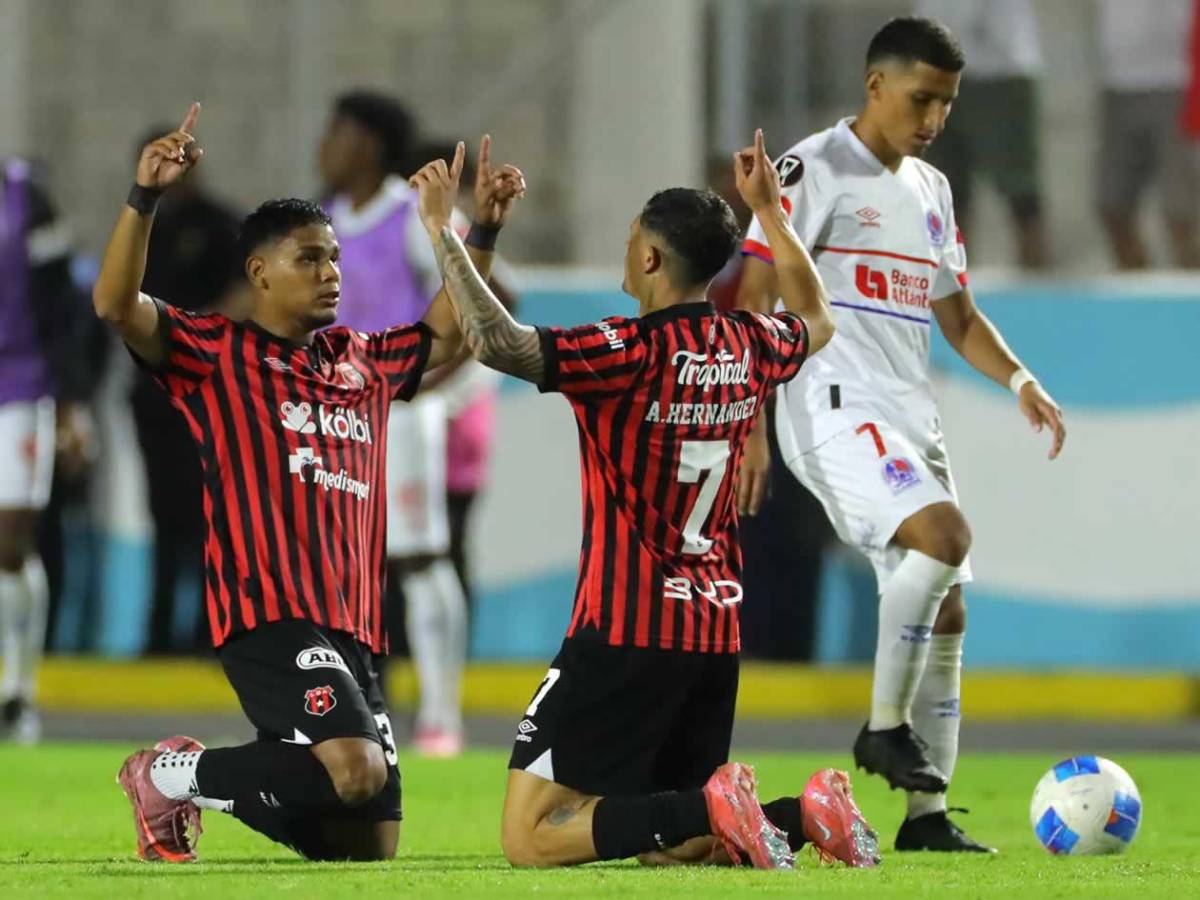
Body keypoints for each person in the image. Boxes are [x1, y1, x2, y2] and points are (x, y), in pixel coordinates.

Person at [408, 130, 880, 869]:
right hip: (714, 635)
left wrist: (447, 228)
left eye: (632, 241)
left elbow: (495, 342)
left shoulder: (623, 351)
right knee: (672, 844)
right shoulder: (749, 343)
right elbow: (819, 319)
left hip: (623, 630)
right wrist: (771, 212)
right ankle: (803, 812)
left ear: (652, 258)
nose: (628, 252)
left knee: (529, 837)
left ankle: (720, 802)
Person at [98, 105, 522, 862]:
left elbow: (447, 332)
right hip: (268, 613)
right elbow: (115, 306)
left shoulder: (359, 359)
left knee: (365, 844)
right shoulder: (214, 355)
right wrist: (145, 198)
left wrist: (477, 231)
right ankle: (168, 774)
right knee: (355, 771)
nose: (331, 275)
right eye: (308, 260)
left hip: (353, 622)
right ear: (259, 273)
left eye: (333, 259)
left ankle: (203, 779)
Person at [736, 17, 1066, 854]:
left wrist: (1022, 380)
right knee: (944, 536)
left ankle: (926, 820)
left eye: (947, 103)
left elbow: (958, 314)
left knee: (946, 605)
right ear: (875, 85)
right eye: (922, 98)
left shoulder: (931, 189)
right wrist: (749, 427)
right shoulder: (812, 167)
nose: (935, 117)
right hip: (831, 401)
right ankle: (882, 728)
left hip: (908, 413)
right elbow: (754, 296)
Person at [317, 92, 471, 755]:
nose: (324, 145)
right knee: (337, 561)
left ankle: (440, 714)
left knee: (418, 556)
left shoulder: (410, 214)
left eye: (339, 132)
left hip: (401, 414)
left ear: (370, 146)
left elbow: (485, 295)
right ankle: (346, 713)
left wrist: (424, 386)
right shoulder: (321, 219)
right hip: (332, 411)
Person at [131, 125, 248, 654]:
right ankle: (159, 634)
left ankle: (209, 631)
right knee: (163, 516)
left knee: (211, 515)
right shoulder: (143, 227)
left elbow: (247, 294)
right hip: (154, 394)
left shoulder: (224, 227)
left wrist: (192, 341)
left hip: (209, 392)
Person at [0, 158, 89, 743]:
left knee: (10, 542)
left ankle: (17, 691)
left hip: (21, 386)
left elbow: (64, 306)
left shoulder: (26, 198)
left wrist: (69, 400)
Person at [916, 0, 1049, 269]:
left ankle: (1038, 282)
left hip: (1001, 69)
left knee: (1019, 188)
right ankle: (950, 287)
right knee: (946, 189)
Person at [1095, 0, 1200, 269]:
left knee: (1179, 210)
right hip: (1117, 81)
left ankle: (1189, 294)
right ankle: (1139, 293)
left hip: (1174, 78)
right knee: (1112, 205)